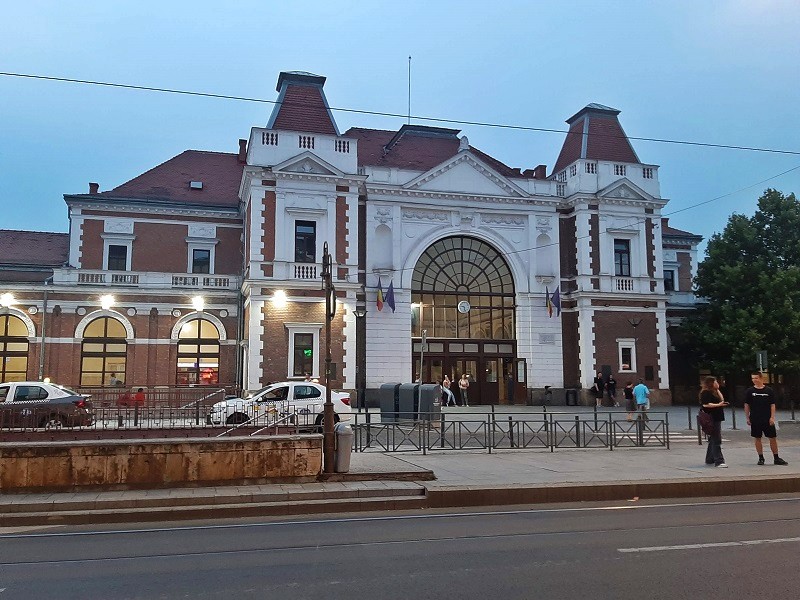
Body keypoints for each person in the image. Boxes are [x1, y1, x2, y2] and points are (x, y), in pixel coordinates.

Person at [744, 371, 788, 466]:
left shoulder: (769, 390)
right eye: (752, 378)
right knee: (757, 438)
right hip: (755, 418)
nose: (754, 380)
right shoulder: (750, 391)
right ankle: (761, 458)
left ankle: (776, 458)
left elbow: (772, 404)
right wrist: (747, 417)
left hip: (767, 418)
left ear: (761, 378)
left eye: (756, 378)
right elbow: (747, 405)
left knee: (772, 438)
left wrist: (772, 417)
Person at [699, 376, 728, 468]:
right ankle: (719, 461)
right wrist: (718, 405)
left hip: (717, 417)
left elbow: (722, 399)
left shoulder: (714, 392)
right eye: (715, 382)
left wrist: (718, 390)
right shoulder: (705, 392)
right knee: (716, 439)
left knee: (713, 439)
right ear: (711, 383)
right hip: (711, 417)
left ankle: (709, 458)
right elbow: (706, 404)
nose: (717, 383)